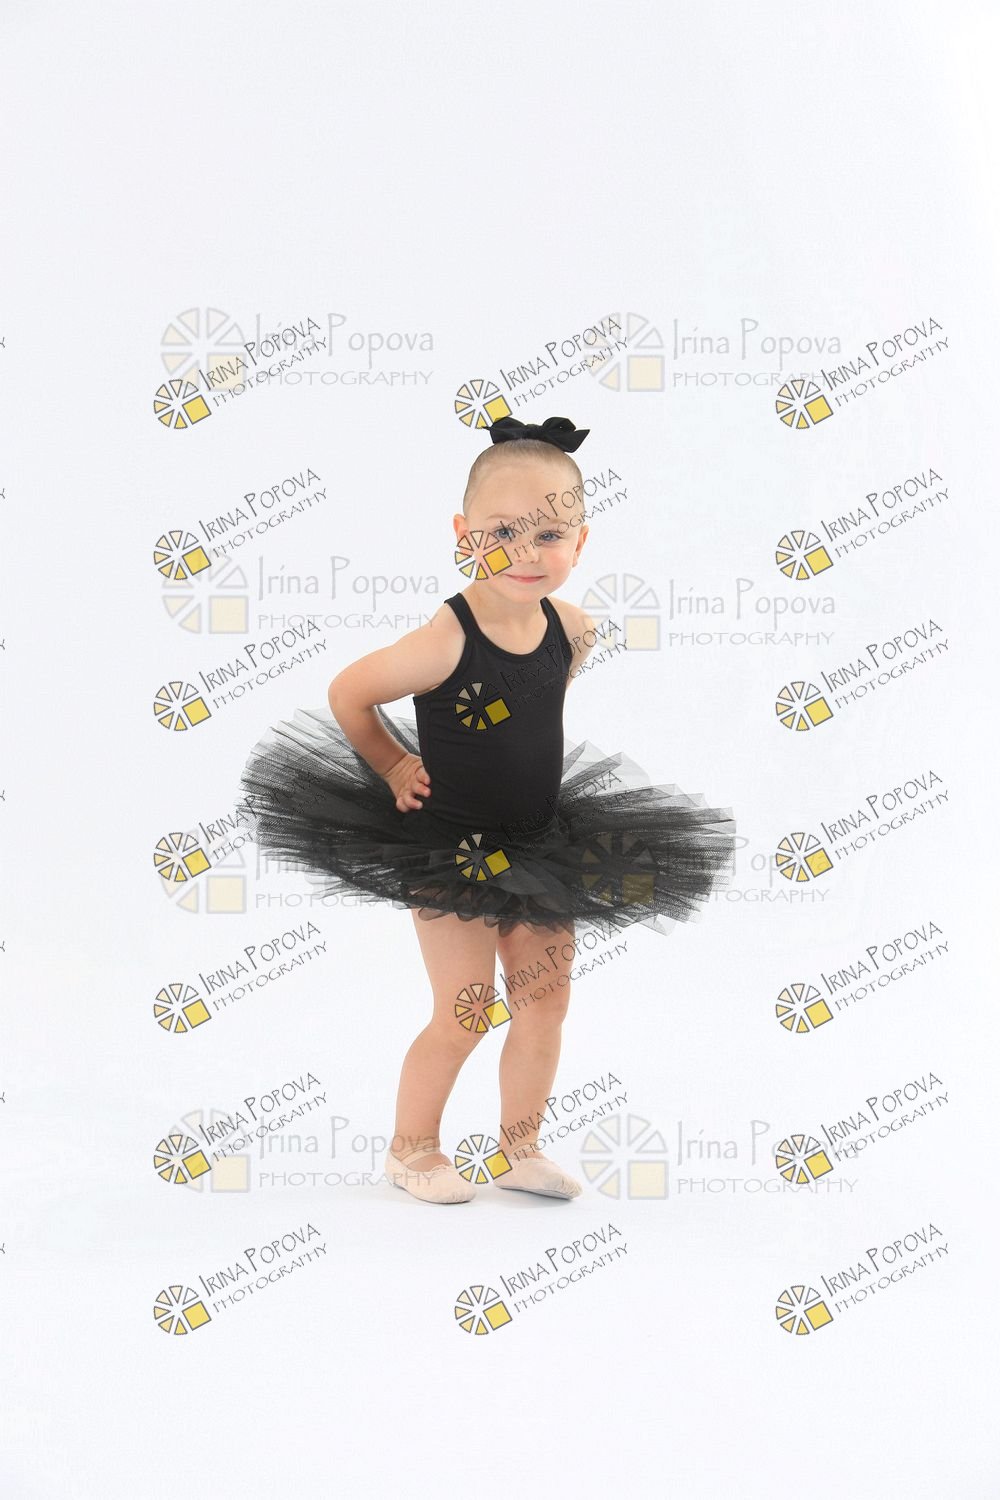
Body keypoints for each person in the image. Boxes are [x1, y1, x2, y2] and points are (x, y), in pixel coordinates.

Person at [237, 415, 736, 1205]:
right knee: (468, 1012)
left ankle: (519, 1148)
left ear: (581, 542)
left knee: (545, 1003)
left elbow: (532, 715)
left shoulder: (573, 631)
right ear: (464, 536)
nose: (526, 553)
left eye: (550, 534)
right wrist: (394, 764)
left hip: (539, 845)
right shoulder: (445, 638)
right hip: (451, 851)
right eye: (503, 532)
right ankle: (413, 1149)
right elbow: (349, 692)